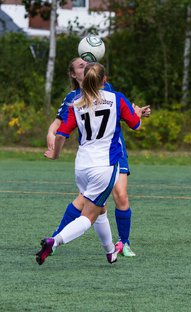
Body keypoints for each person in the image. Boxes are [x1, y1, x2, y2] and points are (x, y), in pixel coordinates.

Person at [36, 62, 142, 265]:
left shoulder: (77, 103)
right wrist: (135, 113)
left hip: (82, 167)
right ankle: (54, 241)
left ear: (84, 78)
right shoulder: (116, 98)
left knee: (100, 207)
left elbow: (61, 134)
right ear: (105, 80)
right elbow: (136, 125)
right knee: (88, 217)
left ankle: (110, 252)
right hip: (104, 166)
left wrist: (55, 154)